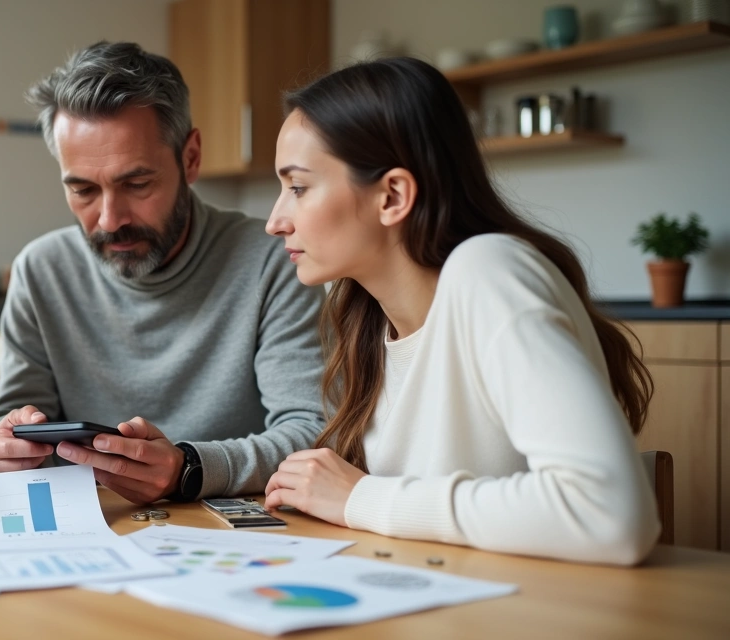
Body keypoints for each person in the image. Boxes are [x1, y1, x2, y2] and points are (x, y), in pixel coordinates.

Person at [262, 57, 660, 565]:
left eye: (297, 187)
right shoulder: (365, 317)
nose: (276, 220)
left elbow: (612, 514)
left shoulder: (488, 272)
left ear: (393, 196)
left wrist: (360, 498)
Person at [0, 42, 326, 505]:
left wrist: (190, 468)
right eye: (82, 189)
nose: (108, 219)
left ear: (191, 158)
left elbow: (314, 431)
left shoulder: (273, 262)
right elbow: (11, 423)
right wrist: (6, 453)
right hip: (92, 529)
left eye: (136, 184)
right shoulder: (40, 271)